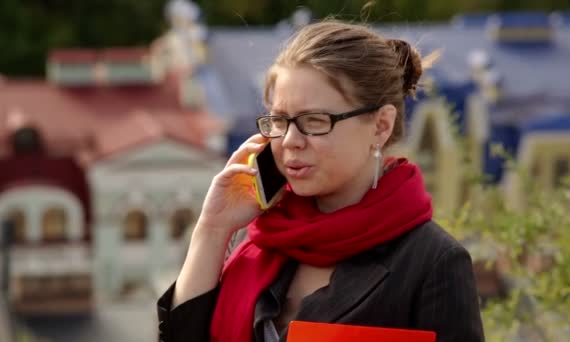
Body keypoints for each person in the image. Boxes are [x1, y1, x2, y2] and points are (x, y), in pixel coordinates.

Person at [157, 20, 485, 342]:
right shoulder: (263, 238)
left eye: (314, 121)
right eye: (280, 121)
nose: (290, 141)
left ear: (381, 126)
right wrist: (213, 228)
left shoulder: (432, 262)